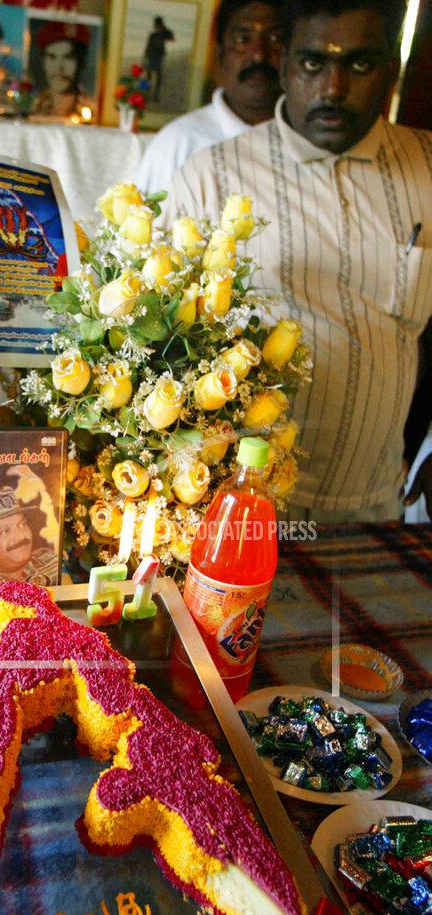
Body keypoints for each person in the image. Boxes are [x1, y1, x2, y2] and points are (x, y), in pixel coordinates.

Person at [165, 0, 432, 523]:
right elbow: (164, 347)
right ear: (285, 63)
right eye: (313, 63)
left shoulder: (427, 167)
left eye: (359, 64)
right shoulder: (211, 177)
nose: (333, 88)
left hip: (376, 499)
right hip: (235, 509)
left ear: (392, 69)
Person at [137, 1, 283, 195]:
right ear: (220, 53)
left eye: (275, 39)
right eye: (243, 39)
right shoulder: (178, 144)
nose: (259, 55)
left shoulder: (309, 143)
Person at [30, 21, 91, 118]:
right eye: (52, 57)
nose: (59, 68)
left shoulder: (90, 108)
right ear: (43, 61)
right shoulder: (32, 107)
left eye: (68, 57)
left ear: (80, 62)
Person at [144, 16, 175, 102]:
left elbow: (172, 38)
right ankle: (148, 93)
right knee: (150, 75)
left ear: (159, 24)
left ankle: (155, 94)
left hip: (158, 56)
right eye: (155, 24)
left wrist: (163, 30)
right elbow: (148, 46)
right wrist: (145, 55)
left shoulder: (163, 33)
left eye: (156, 24)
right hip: (152, 55)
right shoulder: (153, 35)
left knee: (157, 75)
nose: (155, 26)